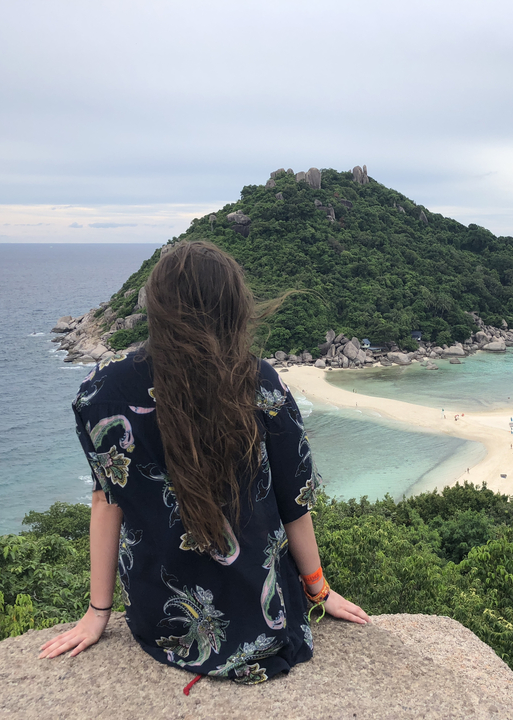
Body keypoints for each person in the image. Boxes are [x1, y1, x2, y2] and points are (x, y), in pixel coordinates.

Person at [39, 241, 368, 683]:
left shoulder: (102, 393)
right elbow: (295, 502)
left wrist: (98, 612)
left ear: (154, 306)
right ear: (234, 310)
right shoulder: (260, 383)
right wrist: (319, 589)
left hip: (164, 622)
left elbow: (106, 502)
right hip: (266, 613)